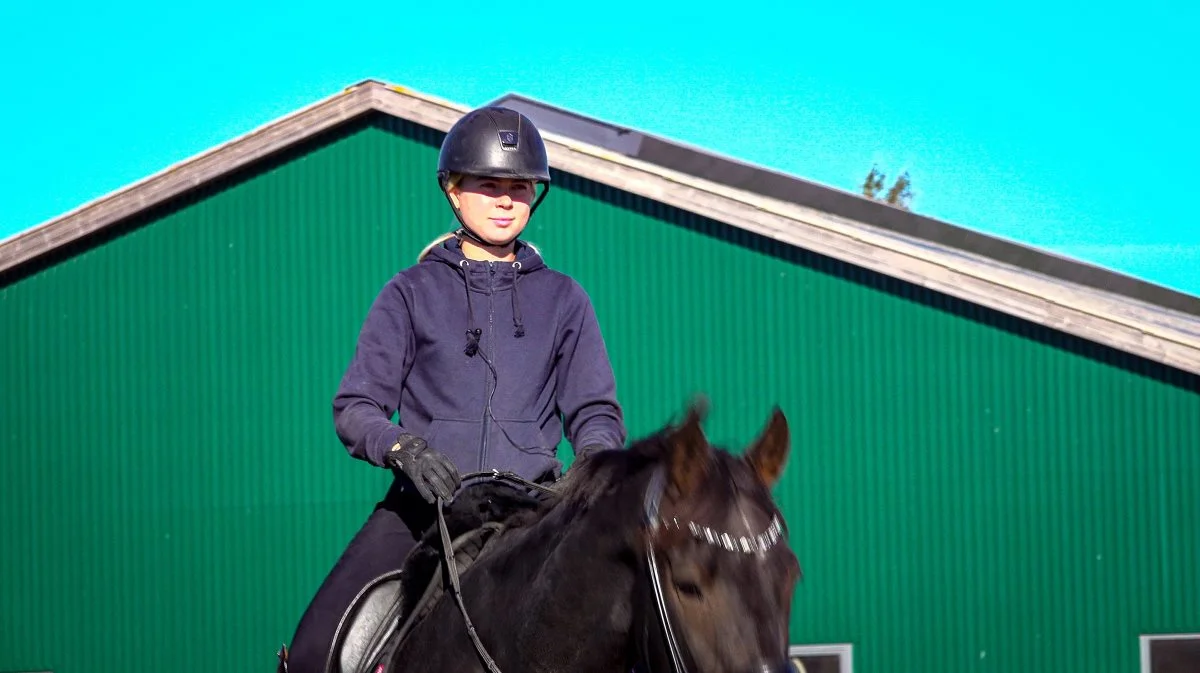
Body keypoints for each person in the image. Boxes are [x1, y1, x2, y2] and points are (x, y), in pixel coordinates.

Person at [283, 105, 627, 673]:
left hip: (531, 512)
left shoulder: (567, 299)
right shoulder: (409, 292)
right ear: (453, 191)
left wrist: (592, 462)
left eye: (518, 187)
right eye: (488, 185)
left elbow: (594, 411)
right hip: (423, 509)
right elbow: (356, 407)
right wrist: (404, 449)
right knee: (317, 649)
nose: (505, 200)